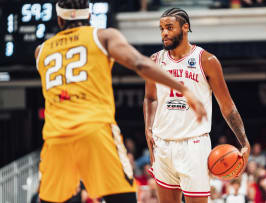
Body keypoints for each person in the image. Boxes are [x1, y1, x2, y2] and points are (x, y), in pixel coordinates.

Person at [35, 1, 207, 203]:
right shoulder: (102, 36)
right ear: (89, 16)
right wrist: (183, 88)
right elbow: (139, 63)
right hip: (95, 130)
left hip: (56, 138)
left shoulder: (41, 51)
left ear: (60, 19)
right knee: (123, 198)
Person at [143, 8, 250, 203]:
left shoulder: (206, 60)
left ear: (185, 27)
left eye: (169, 27)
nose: (164, 33)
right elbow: (150, 98)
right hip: (162, 144)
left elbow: (227, 106)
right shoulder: (155, 61)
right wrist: (148, 129)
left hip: (193, 145)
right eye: (161, 29)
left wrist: (244, 142)